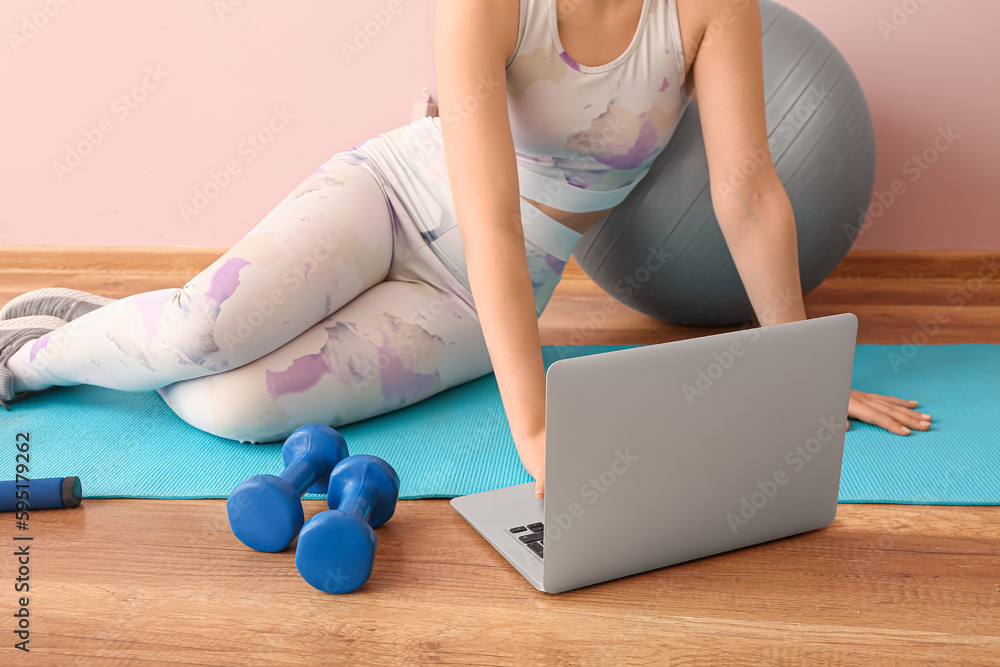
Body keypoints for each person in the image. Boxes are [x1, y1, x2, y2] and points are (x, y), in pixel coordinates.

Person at [0, 0, 931, 499]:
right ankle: (41, 352)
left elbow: (747, 193)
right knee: (196, 337)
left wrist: (800, 364)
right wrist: (533, 426)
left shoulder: (704, 5)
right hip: (392, 198)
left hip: (480, 298)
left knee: (227, 404)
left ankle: (140, 331)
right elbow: (484, 210)